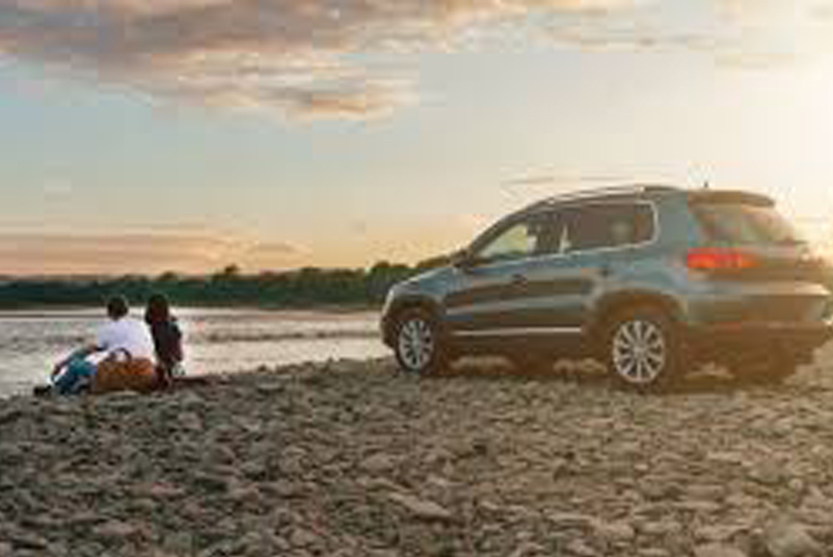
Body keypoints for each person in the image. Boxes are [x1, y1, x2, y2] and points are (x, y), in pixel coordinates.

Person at [51, 296, 157, 395]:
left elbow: (86, 351)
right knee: (94, 370)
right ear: (127, 311)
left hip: (123, 377)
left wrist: (62, 364)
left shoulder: (110, 328)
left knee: (76, 365)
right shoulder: (141, 325)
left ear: (109, 312)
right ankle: (73, 388)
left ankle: (57, 389)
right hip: (147, 376)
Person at [144, 293, 185, 388]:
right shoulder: (173, 325)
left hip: (163, 368)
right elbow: (179, 354)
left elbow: (158, 352)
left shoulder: (156, 327)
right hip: (176, 366)